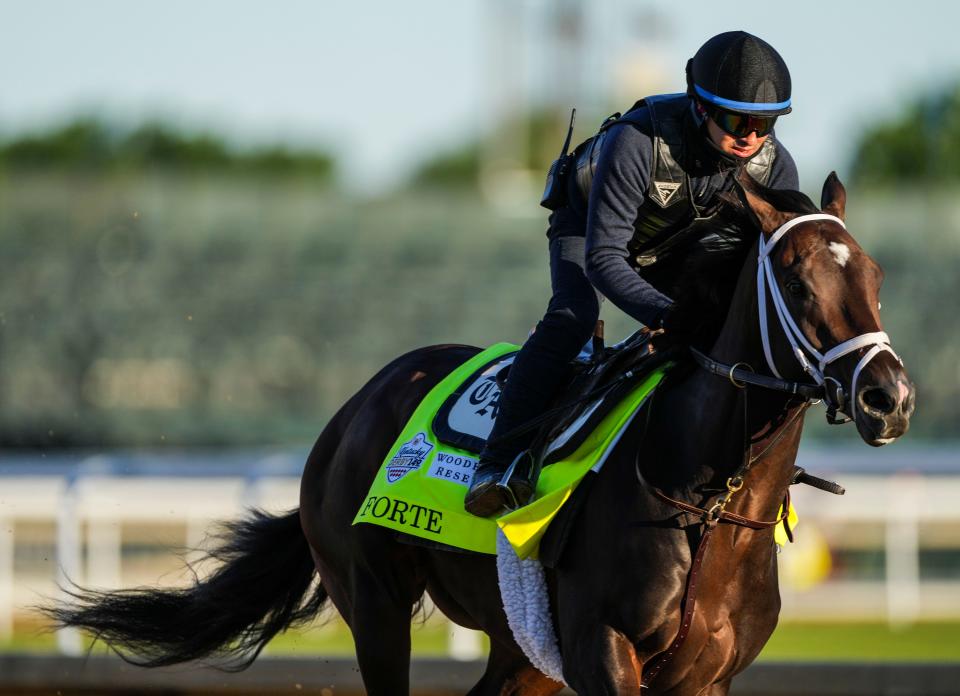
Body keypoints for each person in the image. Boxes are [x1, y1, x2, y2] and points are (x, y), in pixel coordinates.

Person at [464, 30, 800, 517]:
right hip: (591, 228)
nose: (750, 136)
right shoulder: (637, 140)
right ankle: (496, 464)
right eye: (735, 119)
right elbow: (605, 260)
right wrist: (675, 316)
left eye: (764, 123)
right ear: (700, 107)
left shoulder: (775, 167)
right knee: (573, 316)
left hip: (682, 241)